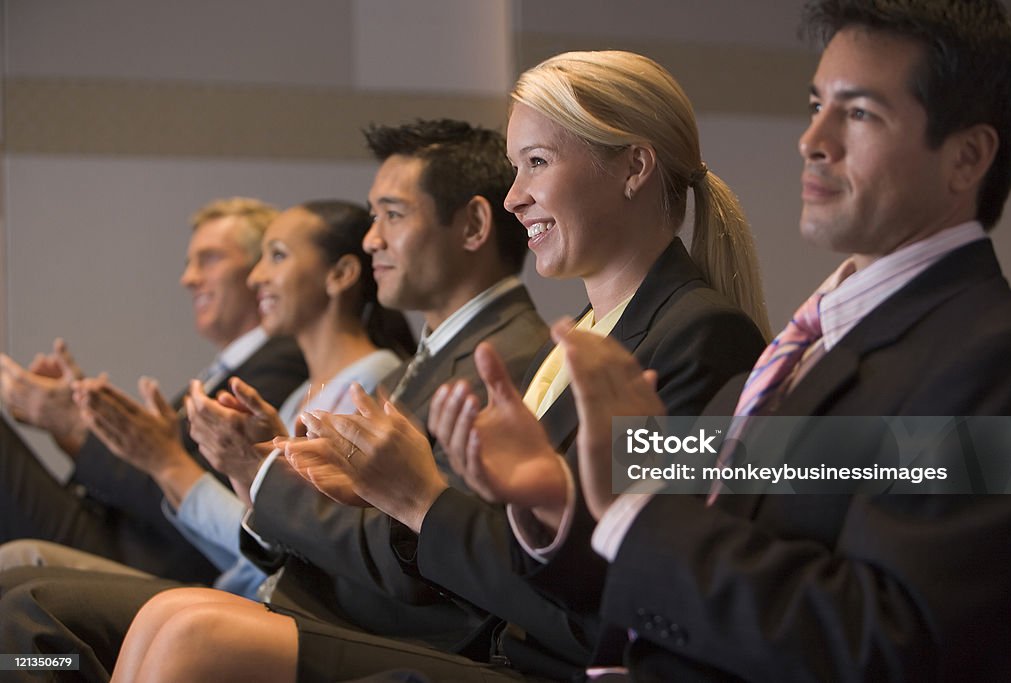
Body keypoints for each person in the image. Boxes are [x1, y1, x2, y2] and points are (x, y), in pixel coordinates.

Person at [396, 1, 1011, 681]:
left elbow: (882, 640)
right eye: (817, 104)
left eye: (860, 112)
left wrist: (630, 506)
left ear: (967, 158)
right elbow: (695, 542)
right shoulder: (814, 344)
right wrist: (555, 498)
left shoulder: (990, 357)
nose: (812, 138)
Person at [111, 51, 770, 682]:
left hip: (542, 662)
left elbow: (613, 594)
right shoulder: (583, 337)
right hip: (498, 644)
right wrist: (378, 485)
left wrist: (420, 497)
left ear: (634, 168)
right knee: (169, 619)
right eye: (515, 168)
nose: (516, 198)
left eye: (536, 163)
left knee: (188, 635)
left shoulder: (699, 337)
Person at [0, 119, 550, 682]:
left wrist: (253, 471)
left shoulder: (495, 360)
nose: (371, 238)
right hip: (304, 591)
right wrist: (266, 472)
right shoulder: (438, 356)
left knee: (34, 612)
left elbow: (417, 554)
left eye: (392, 215)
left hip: (384, 626)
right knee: (28, 606)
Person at [0, 197, 308, 582]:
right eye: (188, 264)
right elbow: (148, 463)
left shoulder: (282, 361)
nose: (189, 278)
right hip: (115, 530)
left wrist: (76, 423)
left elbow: (192, 495)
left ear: (260, 269)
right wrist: (80, 420)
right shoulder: (226, 369)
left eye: (209, 259)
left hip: (149, 556)